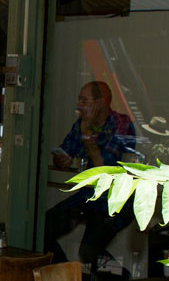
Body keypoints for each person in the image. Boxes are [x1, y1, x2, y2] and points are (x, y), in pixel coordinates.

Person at [44, 81, 136, 269]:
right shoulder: (82, 124)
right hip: (88, 197)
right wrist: (61, 159)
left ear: (101, 103)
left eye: (84, 101)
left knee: (88, 250)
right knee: (41, 230)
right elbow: (65, 150)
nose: (79, 106)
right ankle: (67, 277)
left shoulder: (121, 124)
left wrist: (87, 136)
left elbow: (105, 169)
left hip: (114, 202)